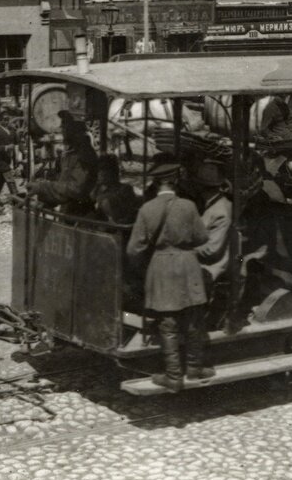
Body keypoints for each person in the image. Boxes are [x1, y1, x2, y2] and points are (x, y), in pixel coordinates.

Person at [126, 160, 213, 391]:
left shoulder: (147, 209)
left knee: (168, 323)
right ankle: (194, 369)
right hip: (188, 265)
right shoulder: (189, 206)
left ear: (155, 184)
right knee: (194, 319)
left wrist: (146, 265)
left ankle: (173, 376)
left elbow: (134, 249)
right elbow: (202, 238)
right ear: (176, 182)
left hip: (161, 267)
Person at [27, 110, 98, 215]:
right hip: (68, 212)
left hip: (81, 215)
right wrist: (48, 202)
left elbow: (76, 189)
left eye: (65, 125)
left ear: (75, 129)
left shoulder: (85, 154)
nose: (61, 128)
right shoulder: (71, 152)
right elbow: (63, 185)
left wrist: (43, 187)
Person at [192, 161, 232, 284]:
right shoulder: (210, 204)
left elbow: (211, 250)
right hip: (201, 261)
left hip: (211, 267)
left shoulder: (221, 211)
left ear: (201, 187)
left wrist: (185, 249)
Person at [93, 154, 141, 224]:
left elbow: (130, 214)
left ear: (112, 173)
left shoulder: (125, 189)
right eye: (98, 171)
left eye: (103, 171)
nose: (99, 175)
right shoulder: (97, 189)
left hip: (117, 227)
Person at [0, 114, 19, 201]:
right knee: (9, 176)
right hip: (0, 160)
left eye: (7, 120)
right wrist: (6, 147)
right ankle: (15, 196)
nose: (6, 122)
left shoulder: (12, 131)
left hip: (9, 159)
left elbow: (17, 142)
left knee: (1, 180)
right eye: (4, 120)